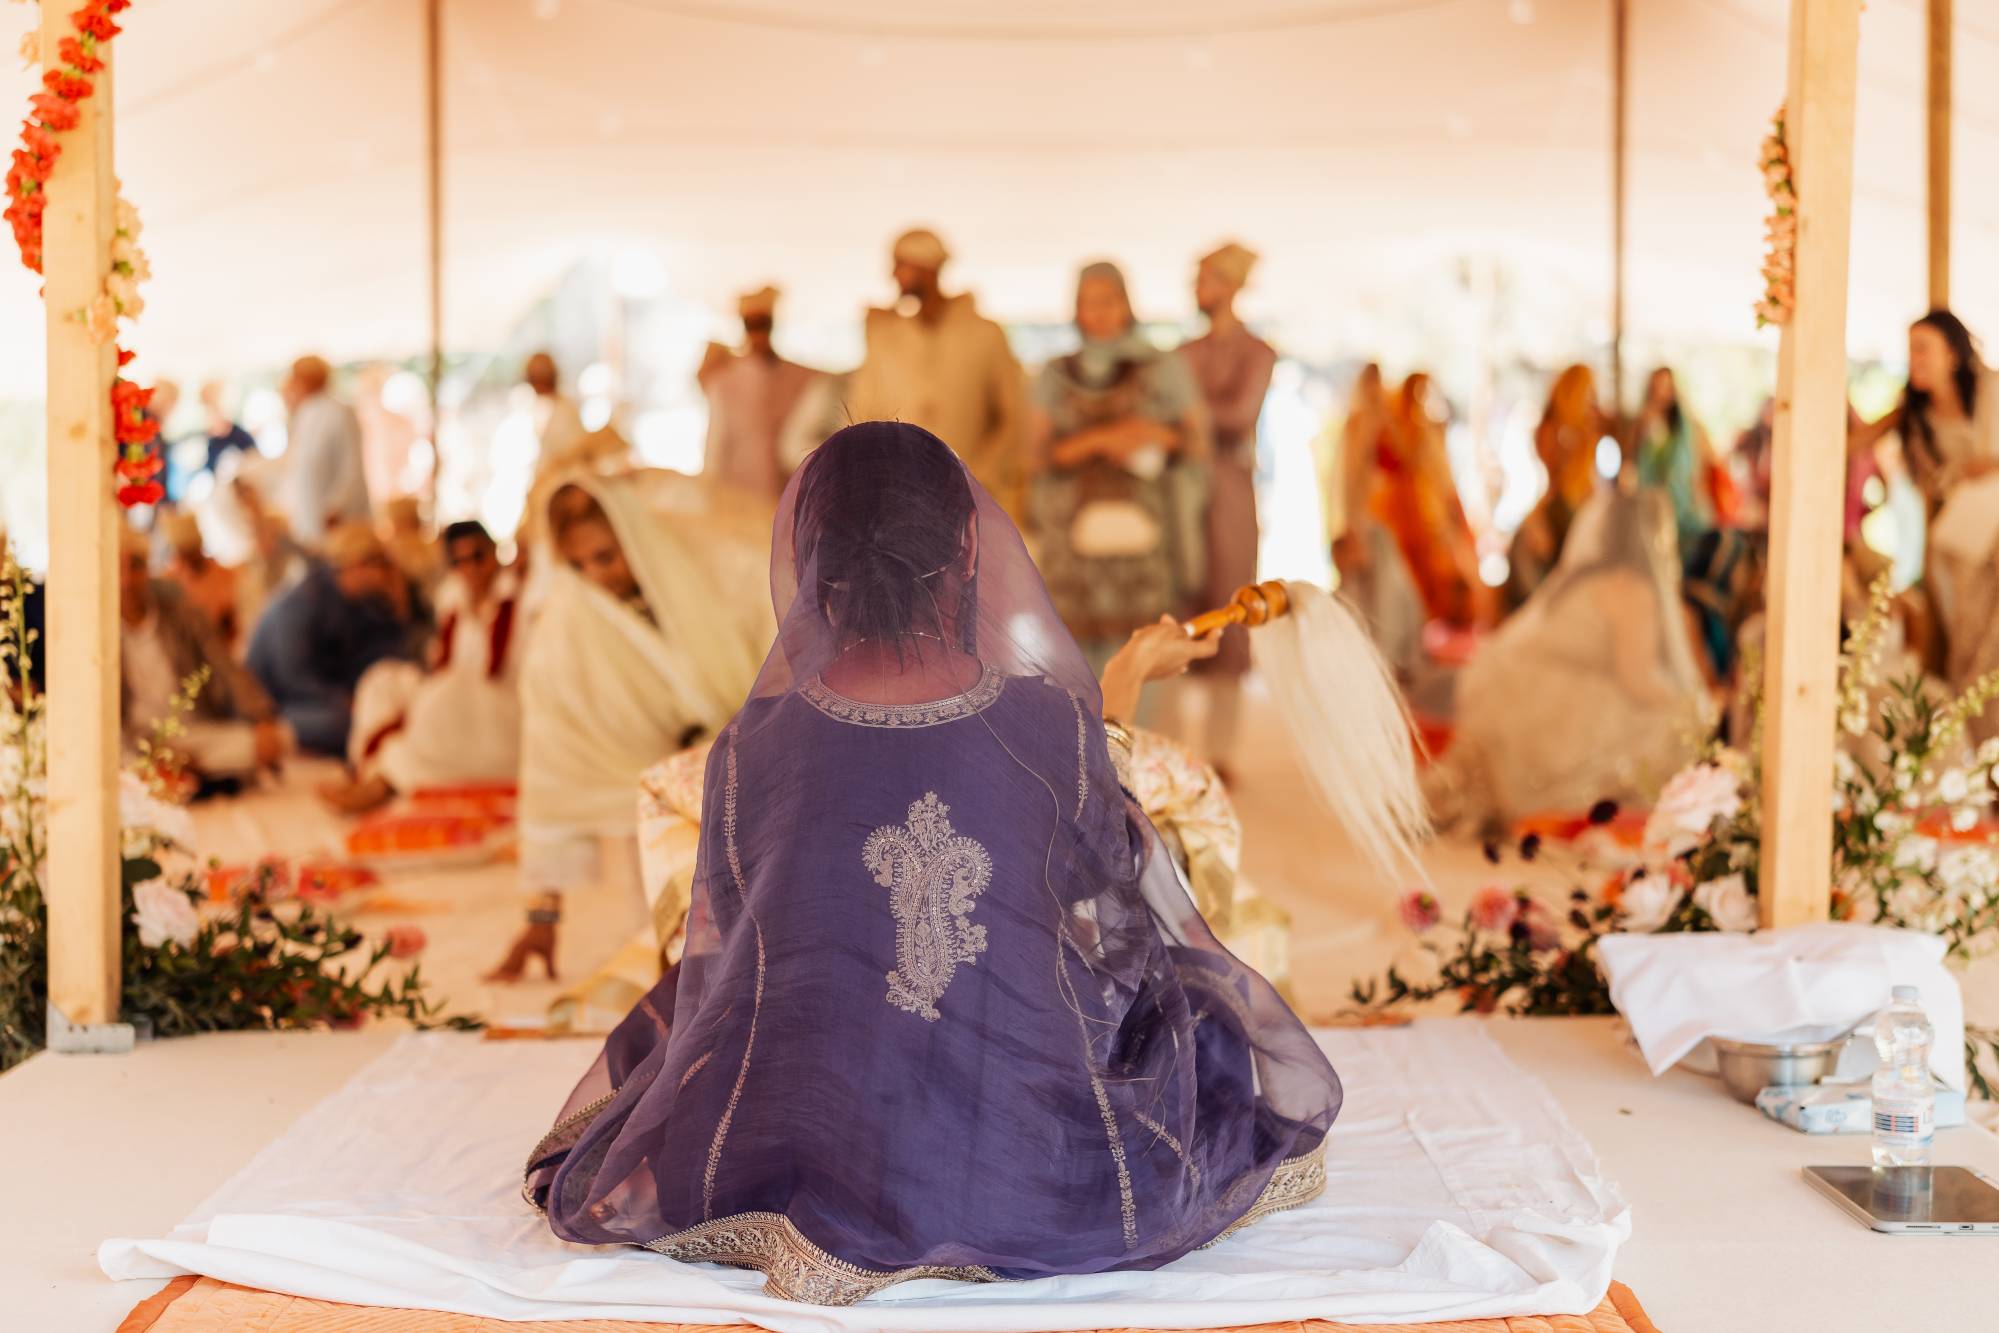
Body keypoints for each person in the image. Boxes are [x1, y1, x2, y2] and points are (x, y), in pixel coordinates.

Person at [523, 422, 1339, 1304]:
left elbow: (735, 959)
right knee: (1194, 1013)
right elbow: (1111, 923)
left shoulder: (753, 744)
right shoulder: (1050, 724)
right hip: (1022, 1151)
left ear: (811, 563)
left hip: (805, 1131)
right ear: (967, 550)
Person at [489, 471, 774, 981]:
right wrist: (542, 914)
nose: (596, 576)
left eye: (606, 556)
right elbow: (550, 765)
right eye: (577, 564)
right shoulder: (564, 633)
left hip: (763, 780)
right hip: (656, 819)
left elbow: (790, 661)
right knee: (686, 972)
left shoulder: (720, 578)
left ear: (635, 534)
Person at [1433, 489, 1707, 830]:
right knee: (1676, 722)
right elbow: (1636, 678)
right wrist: (1692, 705)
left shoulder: (1582, 577)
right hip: (1562, 705)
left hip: (1521, 686)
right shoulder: (1633, 589)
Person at [1030, 261, 1209, 674]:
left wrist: (1152, 434)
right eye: (1088, 302)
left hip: (1145, 540)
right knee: (1079, 670)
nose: (1098, 312)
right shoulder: (1055, 374)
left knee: (1144, 657)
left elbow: (1196, 443)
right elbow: (1038, 456)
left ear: (1126, 304)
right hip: (1072, 544)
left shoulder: (1163, 367)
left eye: (1107, 301)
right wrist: (1099, 440)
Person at [1850, 311, 1999, 731]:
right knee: (1969, 654)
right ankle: (1977, 748)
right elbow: (1854, 443)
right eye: (1910, 349)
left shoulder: (1992, 390)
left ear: (1952, 354)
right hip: (1960, 550)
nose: (1913, 359)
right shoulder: (1913, 416)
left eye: (1922, 349)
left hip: (1992, 533)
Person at [321, 521, 522, 814]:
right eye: (459, 561)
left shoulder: (519, 601)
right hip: (455, 699)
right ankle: (373, 772)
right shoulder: (454, 600)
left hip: (499, 708)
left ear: (494, 554)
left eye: (477, 557)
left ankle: (385, 784)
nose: (470, 569)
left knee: (443, 694)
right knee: (382, 679)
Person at [844, 227, 1029, 517]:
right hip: (900, 497)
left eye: (901, 264)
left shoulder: (985, 334)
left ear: (927, 267)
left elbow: (1012, 415)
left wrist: (979, 476)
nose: (893, 274)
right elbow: (863, 414)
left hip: (973, 499)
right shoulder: (885, 338)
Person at [1178, 242, 1277, 773]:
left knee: (1230, 609)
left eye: (1208, 279)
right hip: (1180, 492)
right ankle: (1171, 749)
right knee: (1175, 609)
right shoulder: (1182, 353)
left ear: (1232, 286)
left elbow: (1240, 415)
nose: (1198, 289)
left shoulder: (1257, 352)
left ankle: (1220, 754)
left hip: (1230, 491)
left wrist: (1186, 415)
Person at [119, 526, 289, 784]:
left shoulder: (181, 613)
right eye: (118, 569)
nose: (126, 580)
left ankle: (185, 773)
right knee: (122, 762)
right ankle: (187, 774)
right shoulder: (98, 633)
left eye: (135, 566)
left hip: (192, 730)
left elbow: (226, 667)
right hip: (136, 740)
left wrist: (261, 717)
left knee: (276, 739)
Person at [245, 523, 419, 756]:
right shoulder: (302, 601)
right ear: (359, 565)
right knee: (344, 721)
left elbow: (383, 657)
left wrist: (397, 603)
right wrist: (344, 700)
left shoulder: (359, 602)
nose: (384, 574)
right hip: (278, 705)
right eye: (381, 565)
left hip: (321, 697)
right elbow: (293, 677)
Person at [1369, 372, 1477, 626]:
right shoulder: (1399, 430)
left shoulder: (1431, 432)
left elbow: (1443, 480)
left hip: (1433, 519)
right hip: (1412, 519)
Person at [702, 286, 821, 501]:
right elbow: (715, 446)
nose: (758, 334)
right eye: (752, 325)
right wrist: (711, 493)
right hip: (740, 494)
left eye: (763, 324)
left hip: (789, 493)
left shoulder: (800, 377)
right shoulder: (724, 381)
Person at [1508, 364, 1607, 607]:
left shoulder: (1592, 428)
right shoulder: (1555, 430)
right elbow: (1552, 484)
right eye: (1588, 393)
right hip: (1564, 511)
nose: (1593, 402)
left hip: (1578, 510)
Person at [276, 355, 370, 546]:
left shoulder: (338, 412)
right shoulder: (304, 415)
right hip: (311, 523)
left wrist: (337, 508)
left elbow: (352, 469)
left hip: (337, 523)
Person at [1627, 367, 1716, 556]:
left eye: (1666, 387)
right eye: (1657, 387)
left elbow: (1702, 463)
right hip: (1652, 504)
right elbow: (1633, 464)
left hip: (1684, 506)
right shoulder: (1642, 424)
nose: (1662, 394)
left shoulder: (1688, 428)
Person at [159, 512, 241, 649]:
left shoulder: (224, 575)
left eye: (191, 552)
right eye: (182, 553)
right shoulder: (168, 581)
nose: (187, 560)